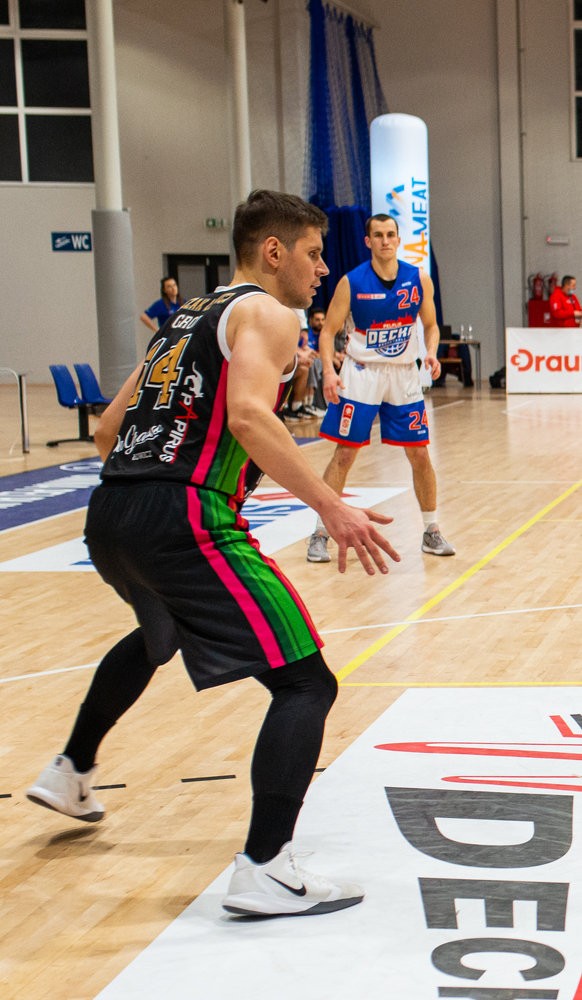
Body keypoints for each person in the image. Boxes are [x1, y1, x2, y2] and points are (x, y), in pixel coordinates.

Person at [25, 189, 396, 917]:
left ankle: (71, 769)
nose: (323, 269)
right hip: (184, 517)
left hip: (111, 512)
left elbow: (106, 430)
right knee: (305, 684)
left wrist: (164, 487)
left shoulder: (187, 318)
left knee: (157, 632)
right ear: (274, 252)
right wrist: (329, 505)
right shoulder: (271, 314)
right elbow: (250, 416)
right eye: (315, 253)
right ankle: (266, 869)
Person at [308, 214, 456, 559]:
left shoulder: (418, 278)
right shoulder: (351, 282)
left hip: (403, 374)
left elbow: (431, 325)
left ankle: (431, 530)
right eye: (378, 235)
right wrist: (329, 372)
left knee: (419, 453)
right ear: (368, 241)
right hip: (362, 372)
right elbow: (328, 332)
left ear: (399, 240)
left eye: (391, 234)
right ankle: (319, 533)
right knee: (345, 454)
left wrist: (431, 352)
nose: (385, 240)